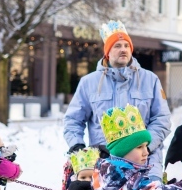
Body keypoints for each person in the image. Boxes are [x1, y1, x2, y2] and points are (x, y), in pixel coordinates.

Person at [64, 19, 171, 180]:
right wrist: (77, 144)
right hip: (105, 165)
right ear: (107, 51)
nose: (123, 50)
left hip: (146, 165)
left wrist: (144, 146)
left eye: (126, 45)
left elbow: (162, 118)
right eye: (117, 46)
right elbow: (73, 119)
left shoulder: (150, 79)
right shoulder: (89, 83)